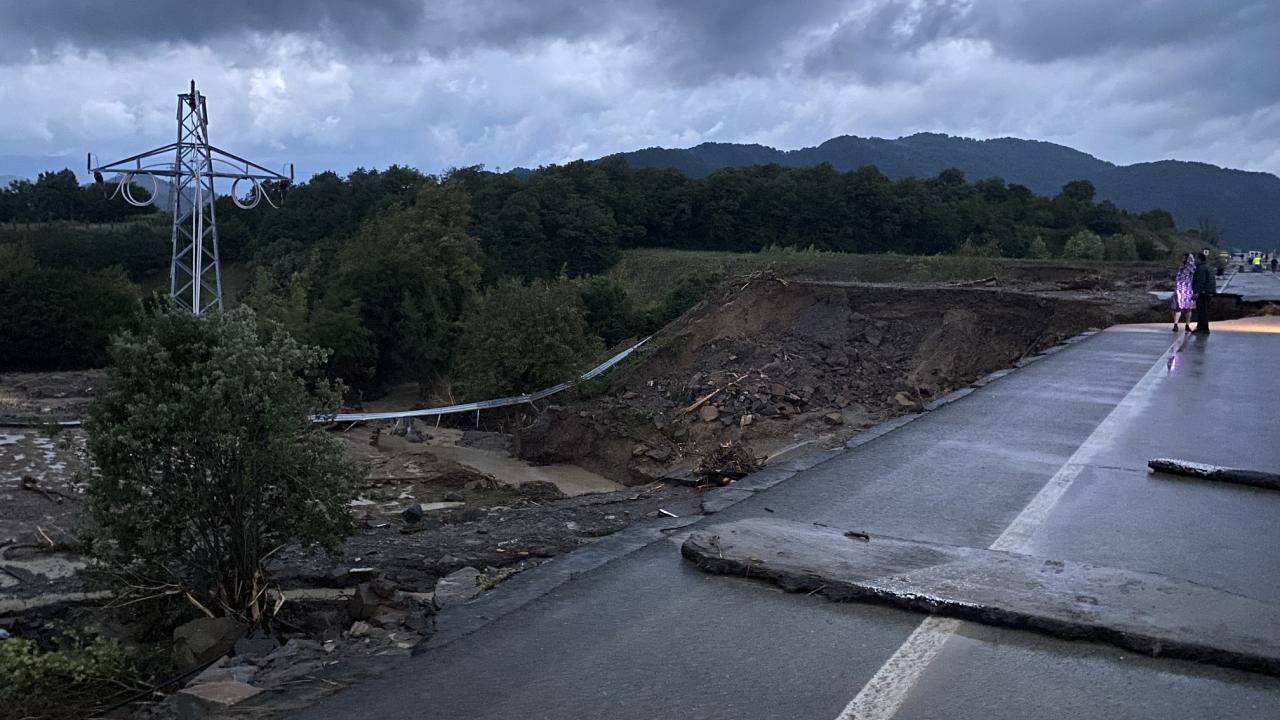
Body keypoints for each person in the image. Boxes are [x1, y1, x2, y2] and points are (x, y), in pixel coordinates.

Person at [1192, 249, 1216, 334]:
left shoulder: (1201, 269)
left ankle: (1203, 328)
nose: (1194, 261)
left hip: (1203, 293)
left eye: (1195, 259)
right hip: (1208, 292)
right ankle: (1201, 327)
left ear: (1199, 259)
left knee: (1202, 311)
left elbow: (1200, 281)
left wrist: (1196, 292)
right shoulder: (1207, 267)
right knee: (1203, 310)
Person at [1170, 252, 1196, 331]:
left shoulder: (1192, 268)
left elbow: (1193, 278)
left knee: (1188, 308)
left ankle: (1187, 325)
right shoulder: (1181, 267)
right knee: (1178, 307)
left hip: (1188, 289)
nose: (1183, 259)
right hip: (1179, 289)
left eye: (1184, 258)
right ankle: (1175, 324)